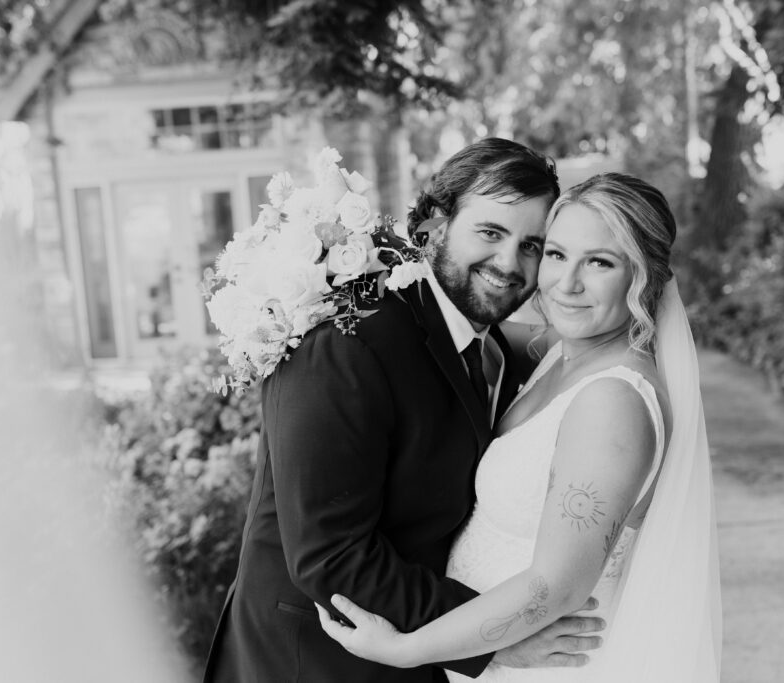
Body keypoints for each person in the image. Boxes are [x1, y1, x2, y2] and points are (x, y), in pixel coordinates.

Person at [202, 138, 608, 683]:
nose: (510, 264)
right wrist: (494, 640)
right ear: (433, 228)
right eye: (490, 232)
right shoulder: (349, 343)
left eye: (533, 245)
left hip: (408, 658)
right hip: (310, 662)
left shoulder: (492, 351)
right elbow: (332, 555)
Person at [317, 173, 723, 681]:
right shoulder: (558, 353)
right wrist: (323, 281)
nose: (566, 283)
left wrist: (409, 649)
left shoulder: (613, 402)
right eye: (555, 254)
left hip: (551, 666)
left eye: (599, 262)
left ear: (645, 278)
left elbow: (557, 586)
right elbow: (448, 318)